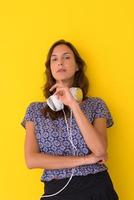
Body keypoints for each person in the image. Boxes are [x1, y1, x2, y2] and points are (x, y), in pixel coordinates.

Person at [21, 39, 119, 200]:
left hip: (97, 188)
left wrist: (74, 105)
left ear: (77, 66)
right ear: (50, 68)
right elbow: (31, 160)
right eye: (54, 59)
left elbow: (100, 150)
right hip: (57, 191)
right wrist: (86, 159)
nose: (60, 62)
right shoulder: (34, 111)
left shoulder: (96, 105)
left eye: (66, 57)